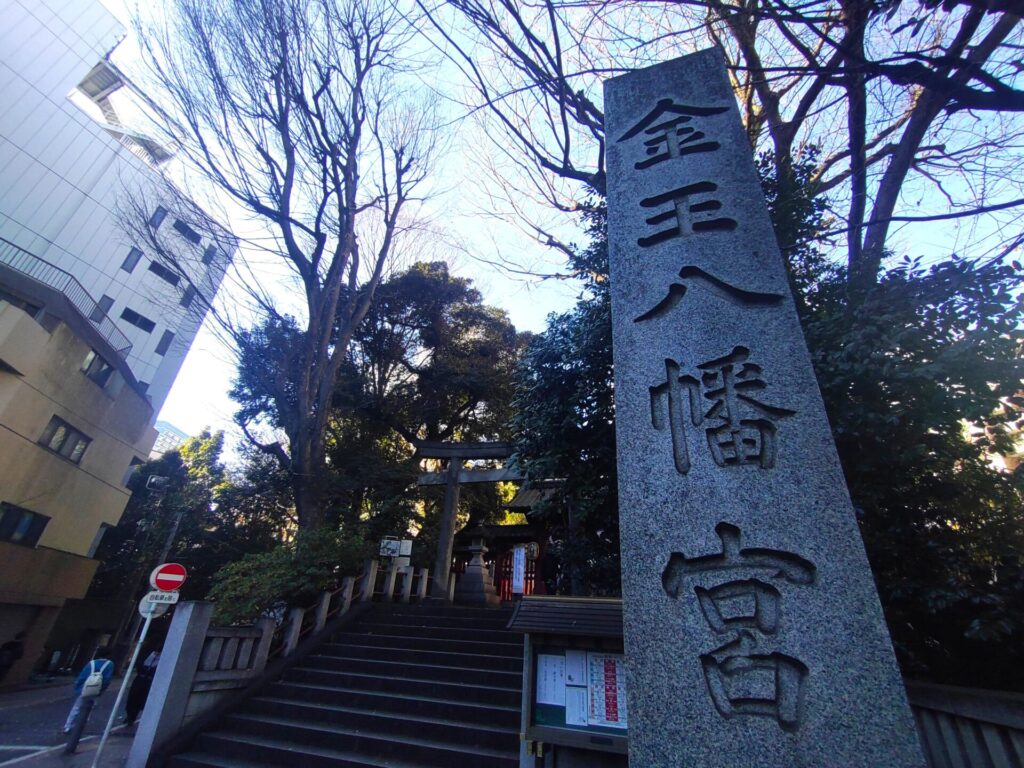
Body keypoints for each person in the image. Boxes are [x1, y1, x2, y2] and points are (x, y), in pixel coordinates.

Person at [63, 647, 115, 734]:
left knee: (76, 707)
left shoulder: (92, 663)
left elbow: (82, 676)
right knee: (89, 708)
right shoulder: (109, 664)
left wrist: (78, 687)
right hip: (97, 689)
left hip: (84, 688)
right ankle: (81, 725)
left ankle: (68, 726)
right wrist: (102, 690)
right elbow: (107, 679)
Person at [124, 650, 160, 725]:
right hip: (140, 679)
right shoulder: (147, 656)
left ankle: (133, 717)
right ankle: (130, 716)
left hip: (149, 681)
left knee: (142, 699)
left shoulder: (161, 660)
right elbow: (139, 665)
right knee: (132, 698)